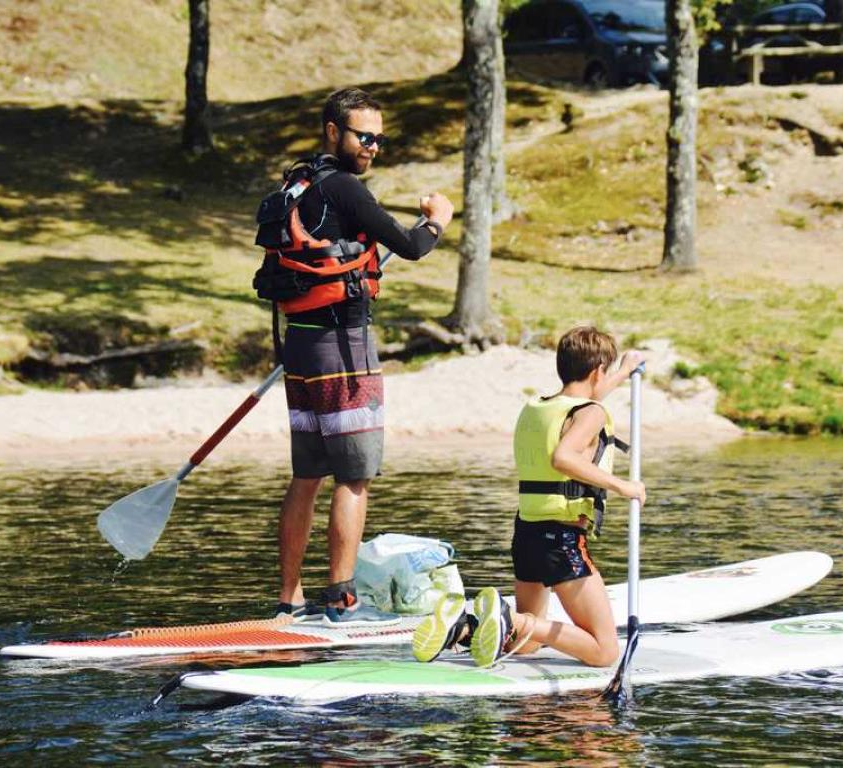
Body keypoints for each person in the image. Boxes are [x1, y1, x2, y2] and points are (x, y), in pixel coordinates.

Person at [272, 87, 454, 624]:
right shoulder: (346, 189)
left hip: (300, 346)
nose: (373, 146)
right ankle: (341, 600)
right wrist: (437, 218)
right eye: (363, 136)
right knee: (354, 477)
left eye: (379, 137)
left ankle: (289, 598)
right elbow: (413, 245)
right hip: (345, 352)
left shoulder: (295, 187)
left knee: (306, 475)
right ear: (333, 131)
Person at [412, 326, 645, 665]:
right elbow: (563, 457)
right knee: (604, 652)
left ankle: (463, 627)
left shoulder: (539, 407)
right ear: (597, 371)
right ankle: (512, 618)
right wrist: (623, 486)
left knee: (527, 644)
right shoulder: (590, 413)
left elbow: (588, 402)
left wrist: (623, 370)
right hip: (562, 539)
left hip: (527, 533)